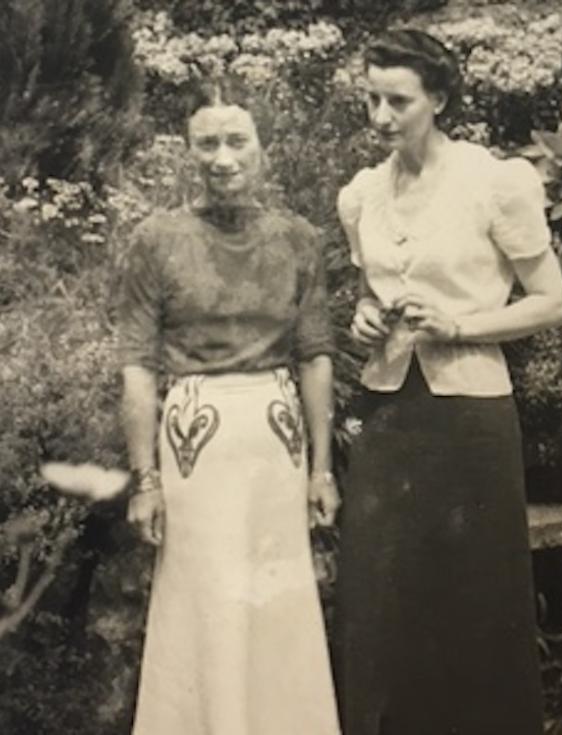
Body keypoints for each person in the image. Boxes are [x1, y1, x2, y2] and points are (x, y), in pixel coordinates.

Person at [334, 29, 562, 735]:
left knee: (470, 591)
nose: (381, 116)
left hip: (469, 413)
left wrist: (461, 323)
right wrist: (364, 322)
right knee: (381, 590)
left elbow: (553, 302)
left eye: (397, 100)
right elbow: (369, 293)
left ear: (437, 98)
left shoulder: (493, 183)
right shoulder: (363, 195)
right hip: (386, 411)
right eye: (372, 98)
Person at [117, 77, 341, 735]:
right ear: (188, 152)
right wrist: (145, 480)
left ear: (263, 147)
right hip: (195, 442)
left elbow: (316, 355)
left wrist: (322, 469)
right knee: (206, 596)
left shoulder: (298, 239)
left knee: (279, 598)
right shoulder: (156, 240)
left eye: (237, 141)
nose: (223, 158)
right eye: (207, 143)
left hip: (276, 439)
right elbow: (137, 365)